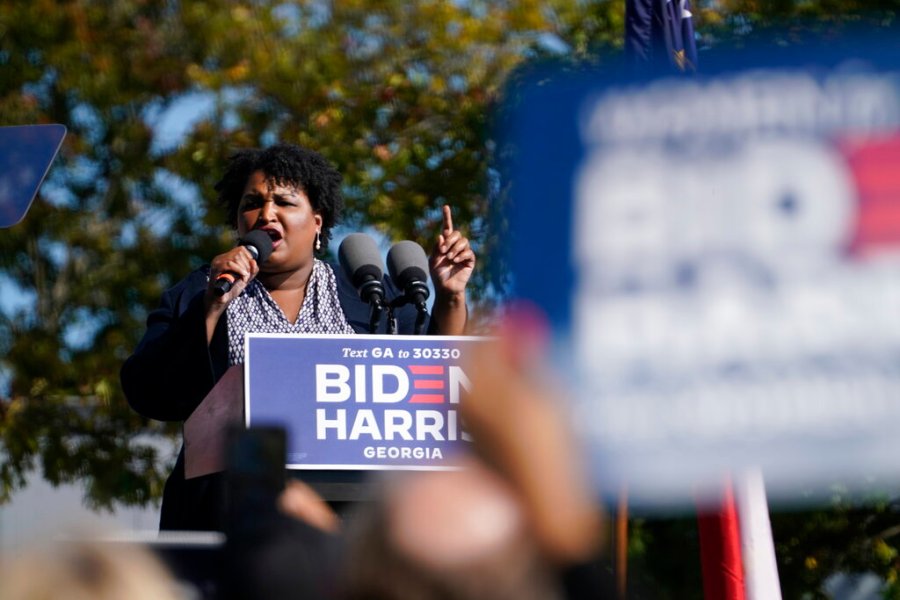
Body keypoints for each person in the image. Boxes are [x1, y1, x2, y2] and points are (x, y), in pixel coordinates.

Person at [120, 143, 476, 531]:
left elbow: (438, 377)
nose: (266, 214)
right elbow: (149, 390)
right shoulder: (200, 292)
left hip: (352, 526)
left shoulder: (371, 296)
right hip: (227, 517)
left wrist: (452, 295)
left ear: (317, 222)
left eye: (285, 203)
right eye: (251, 203)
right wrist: (211, 306)